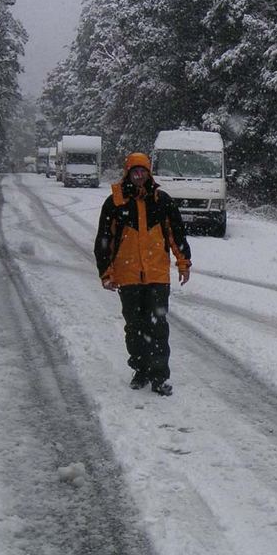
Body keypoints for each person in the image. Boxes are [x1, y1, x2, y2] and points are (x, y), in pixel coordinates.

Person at [94, 152, 191, 396]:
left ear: (149, 174)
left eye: (143, 172)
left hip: (157, 276)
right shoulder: (115, 203)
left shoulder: (162, 201)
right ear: (128, 173)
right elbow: (105, 240)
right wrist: (107, 272)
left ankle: (159, 376)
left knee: (158, 326)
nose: (139, 177)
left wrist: (183, 262)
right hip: (127, 277)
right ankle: (141, 369)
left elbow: (176, 235)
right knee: (134, 327)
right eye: (134, 172)